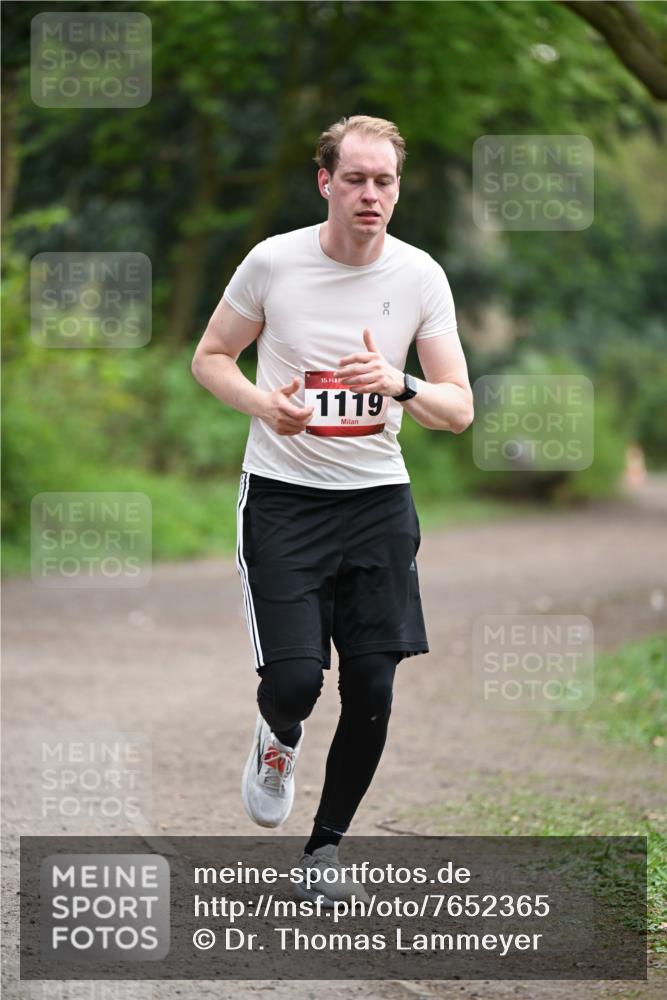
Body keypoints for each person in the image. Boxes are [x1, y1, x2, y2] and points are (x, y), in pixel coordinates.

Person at [191, 114, 473, 906]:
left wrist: (400, 384)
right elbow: (210, 357)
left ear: (396, 187)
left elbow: (457, 409)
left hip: (377, 503)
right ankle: (277, 738)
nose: (370, 194)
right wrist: (262, 405)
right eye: (354, 178)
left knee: (374, 688)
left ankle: (325, 847)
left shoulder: (420, 276)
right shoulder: (273, 263)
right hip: (282, 499)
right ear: (325, 182)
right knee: (294, 680)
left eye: (383, 180)